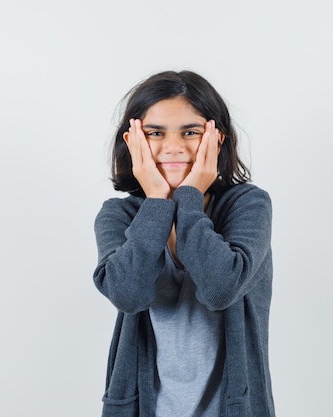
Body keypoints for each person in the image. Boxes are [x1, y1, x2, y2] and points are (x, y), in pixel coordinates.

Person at [92, 70, 275, 417]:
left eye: (191, 132)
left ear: (217, 139)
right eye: (155, 133)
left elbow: (221, 287)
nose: (174, 146)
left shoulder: (248, 205)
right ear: (132, 142)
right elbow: (128, 294)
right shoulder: (119, 215)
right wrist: (158, 202)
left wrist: (188, 198)